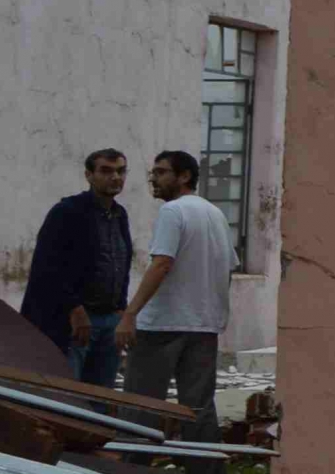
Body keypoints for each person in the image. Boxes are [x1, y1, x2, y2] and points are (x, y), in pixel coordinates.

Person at [117, 150, 232, 441]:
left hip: (162, 326)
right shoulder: (215, 213)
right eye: (153, 173)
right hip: (204, 326)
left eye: (161, 172)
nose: (154, 179)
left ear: (184, 176)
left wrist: (130, 314)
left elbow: (162, 263)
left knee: (141, 406)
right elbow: (227, 268)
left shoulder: (173, 211)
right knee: (199, 408)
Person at [15, 148, 135, 385]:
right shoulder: (67, 212)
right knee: (67, 393)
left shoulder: (119, 214)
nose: (115, 177)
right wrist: (75, 309)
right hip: (73, 322)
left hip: (108, 320)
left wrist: (121, 309)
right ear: (89, 175)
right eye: (106, 171)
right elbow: (48, 267)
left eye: (121, 171)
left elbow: (120, 262)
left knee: (100, 396)